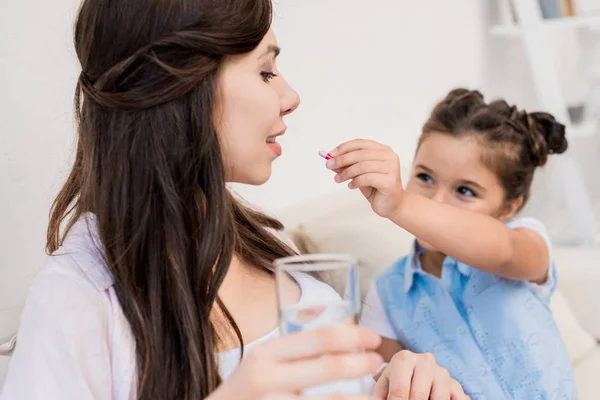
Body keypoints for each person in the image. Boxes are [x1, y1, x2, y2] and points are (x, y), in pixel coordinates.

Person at [0, 1, 470, 399]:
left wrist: (390, 385)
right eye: (265, 71)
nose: (290, 96)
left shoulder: (267, 253)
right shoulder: (76, 300)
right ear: (179, 86)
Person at [326, 89, 576, 399]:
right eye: (425, 177)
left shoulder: (525, 242)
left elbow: (504, 251)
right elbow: (386, 385)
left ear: (509, 208)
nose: (437, 200)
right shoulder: (387, 292)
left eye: (466, 191)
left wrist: (403, 206)